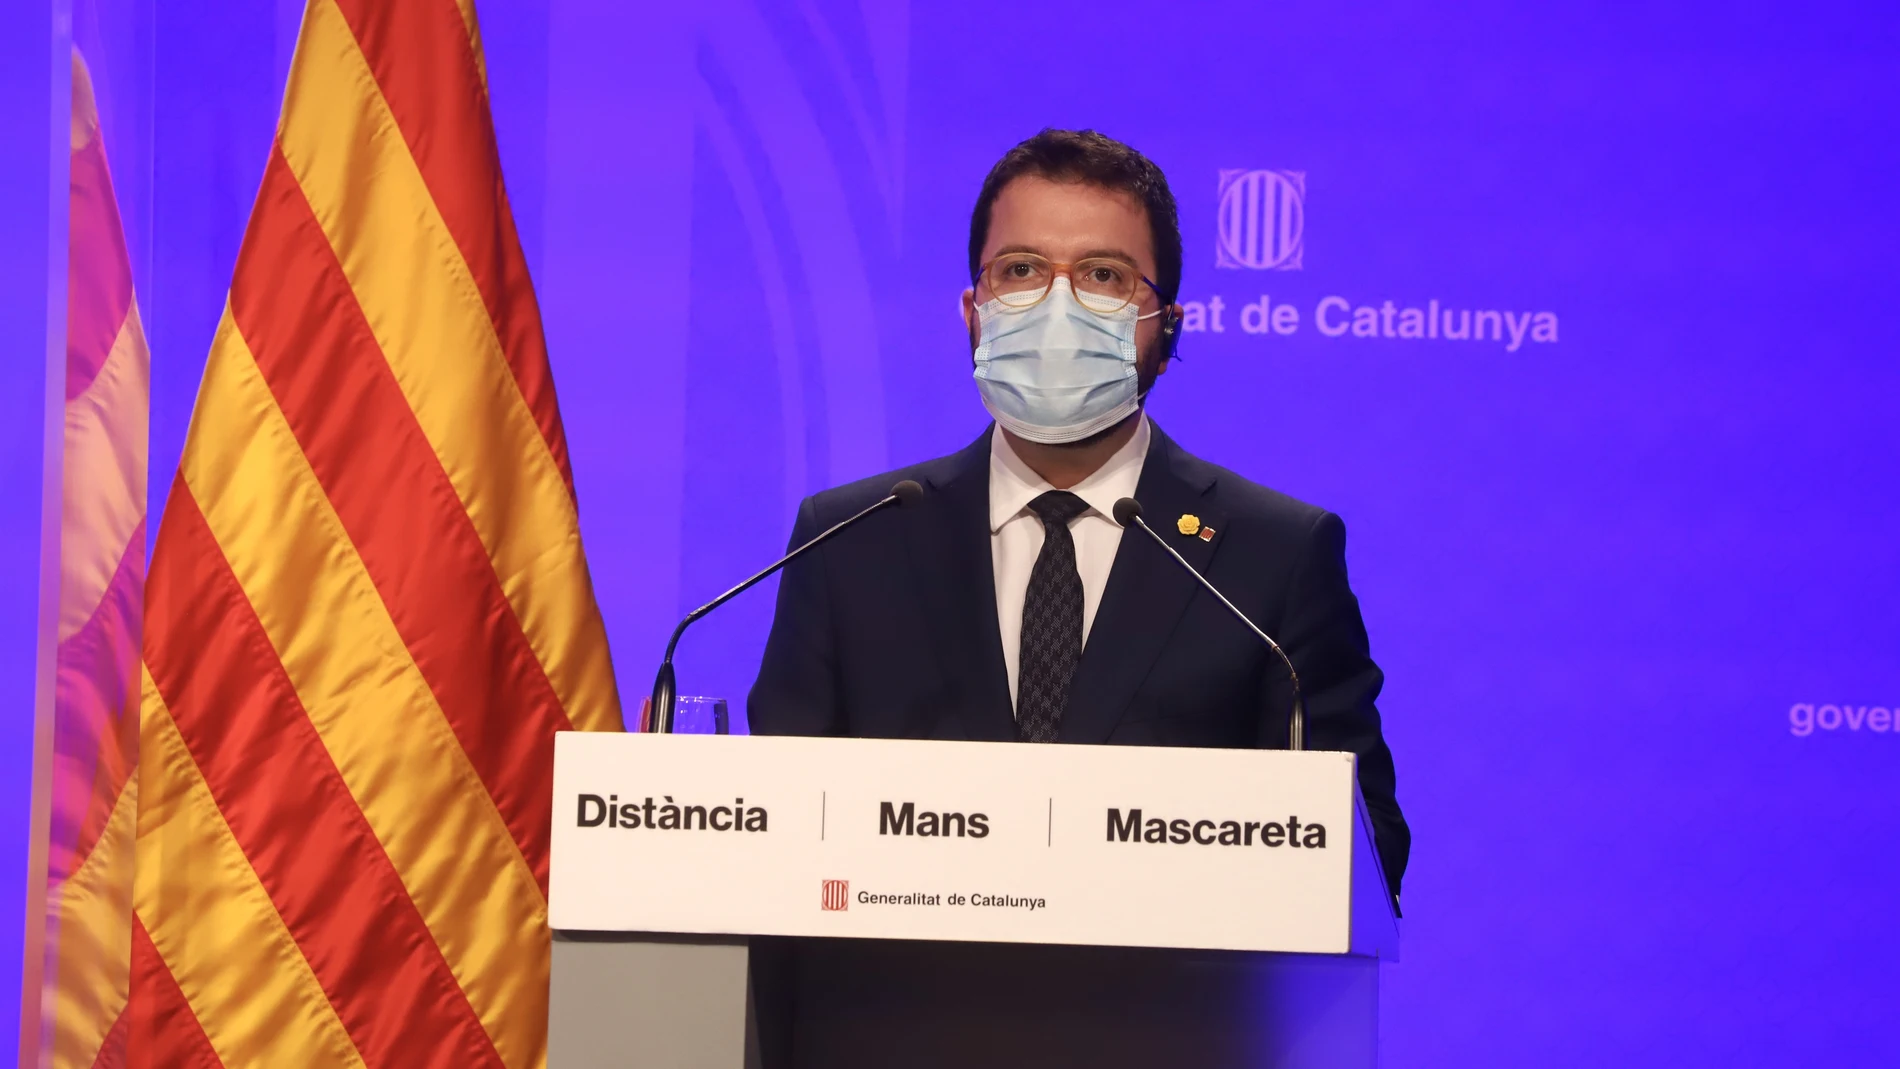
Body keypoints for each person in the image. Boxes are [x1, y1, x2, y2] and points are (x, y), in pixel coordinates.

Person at [748, 128, 1408, 897]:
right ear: (973, 311)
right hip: (899, 1007)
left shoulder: (1275, 557)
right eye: (1020, 270)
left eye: (1103, 275)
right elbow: (779, 825)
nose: (1057, 305)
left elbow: (1363, 850)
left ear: (1168, 328)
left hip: (1173, 1011)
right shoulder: (848, 542)